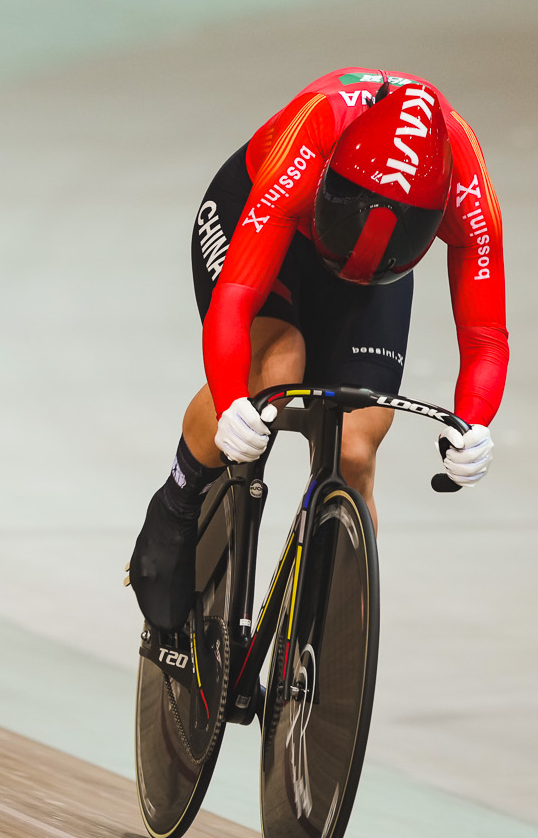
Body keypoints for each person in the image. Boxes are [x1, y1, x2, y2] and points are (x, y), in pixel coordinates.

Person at [128, 69, 507, 632]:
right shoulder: (316, 127)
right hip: (268, 221)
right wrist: (235, 400)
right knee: (276, 369)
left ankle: (323, 646)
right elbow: (235, 300)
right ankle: (177, 503)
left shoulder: (467, 187)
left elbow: (485, 337)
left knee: (355, 448)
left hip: (377, 267)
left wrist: (474, 423)